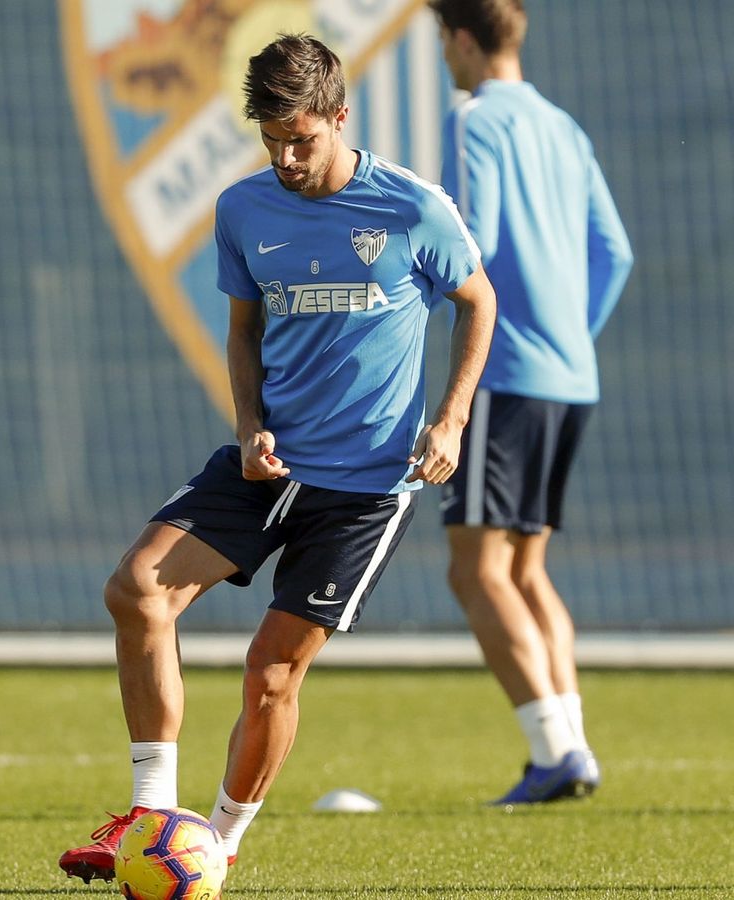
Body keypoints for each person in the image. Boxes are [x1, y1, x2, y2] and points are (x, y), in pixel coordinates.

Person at [59, 33, 495, 882]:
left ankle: (215, 844)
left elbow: (477, 301)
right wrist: (250, 423)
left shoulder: (412, 209)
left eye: (303, 138)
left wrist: (449, 421)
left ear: (340, 117)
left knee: (269, 674)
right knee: (137, 590)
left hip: (366, 488)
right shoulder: (243, 209)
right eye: (272, 141)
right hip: (270, 466)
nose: (288, 158)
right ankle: (150, 821)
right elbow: (244, 330)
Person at [428, 0, 633, 804]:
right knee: (525, 568)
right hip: (568, 377)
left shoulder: (476, 119)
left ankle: (557, 752)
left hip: (506, 375)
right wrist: (570, 335)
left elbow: (470, 239)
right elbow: (613, 250)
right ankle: (569, 744)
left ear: (463, 40)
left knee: (476, 572)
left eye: (443, 41)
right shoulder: (562, 125)